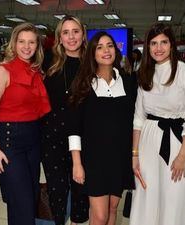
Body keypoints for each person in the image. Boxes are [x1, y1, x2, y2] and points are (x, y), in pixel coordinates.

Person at [129, 23, 185, 225]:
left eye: (164, 42)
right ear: (148, 47)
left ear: (172, 45)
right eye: (153, 43)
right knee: (146, 196)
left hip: (178, 142)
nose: (159, 48)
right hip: (148, 142)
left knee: (174, 198)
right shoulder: (144, 73)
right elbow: (138, 118)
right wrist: (134, 155)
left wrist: (183, 155)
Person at [0, 22, 51, 225]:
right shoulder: (2, 71)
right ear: (14, 44)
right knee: (22, 203)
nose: (27, 46)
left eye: (31, 42)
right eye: (22, 41)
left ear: (37, 46)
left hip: (33, 141)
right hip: (9, 142)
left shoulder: (36, 72)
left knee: (26, 202)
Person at [68, 31, 135, 225]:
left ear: (116, 50)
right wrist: (77, 163)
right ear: (92, 53)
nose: (106, 51)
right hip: (94, 160)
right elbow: (74, 129)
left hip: (119, 158)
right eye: (100, 47)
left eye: (110, 46)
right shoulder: (83, 83)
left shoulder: (128, 82)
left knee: (113, 209)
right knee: (99, 216)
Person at [40, 15, 89, 225]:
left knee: (81, 191)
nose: (71, 37)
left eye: (75, 31)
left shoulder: (92, 63)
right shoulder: (48, 61)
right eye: (66, 32)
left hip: (84, 137)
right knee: (57, 191)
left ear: (83, 34)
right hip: (52, 138)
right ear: (59, 37)